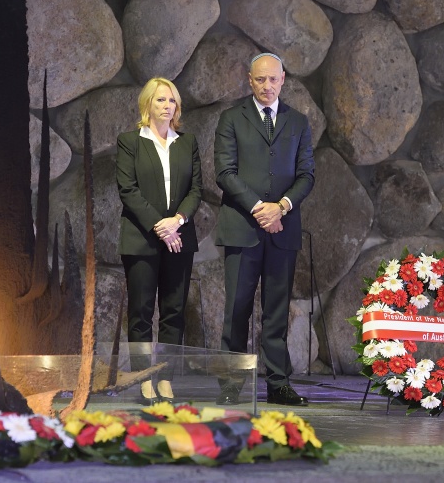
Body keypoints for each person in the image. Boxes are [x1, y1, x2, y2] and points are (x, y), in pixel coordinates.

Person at [214, 52, 315, 406]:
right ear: (249, 79)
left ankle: (278, 384)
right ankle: (231, 384)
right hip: (243, 228)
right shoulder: (231, 119)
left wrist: (281, 207)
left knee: (276, 310)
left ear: (283, 79)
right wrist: (260, 209)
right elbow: (224, 173)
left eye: (273, 79)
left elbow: (306, 175)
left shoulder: (299, 122)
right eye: (260, 79)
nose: (267, 86)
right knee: (237, 309)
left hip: (283, 230)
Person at [116, 77, 202, 404]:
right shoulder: (130, 142)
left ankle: (165, 377)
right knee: (140, 313)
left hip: (179, 238)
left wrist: (176, 222)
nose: (167, 106)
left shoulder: (187, 142)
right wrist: (158, 225)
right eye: (160, 100)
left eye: (171, 101)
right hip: (141, 239)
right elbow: (128, 190)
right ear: (147, 105)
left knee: (173, 312)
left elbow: (196, 190)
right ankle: (143, 378)